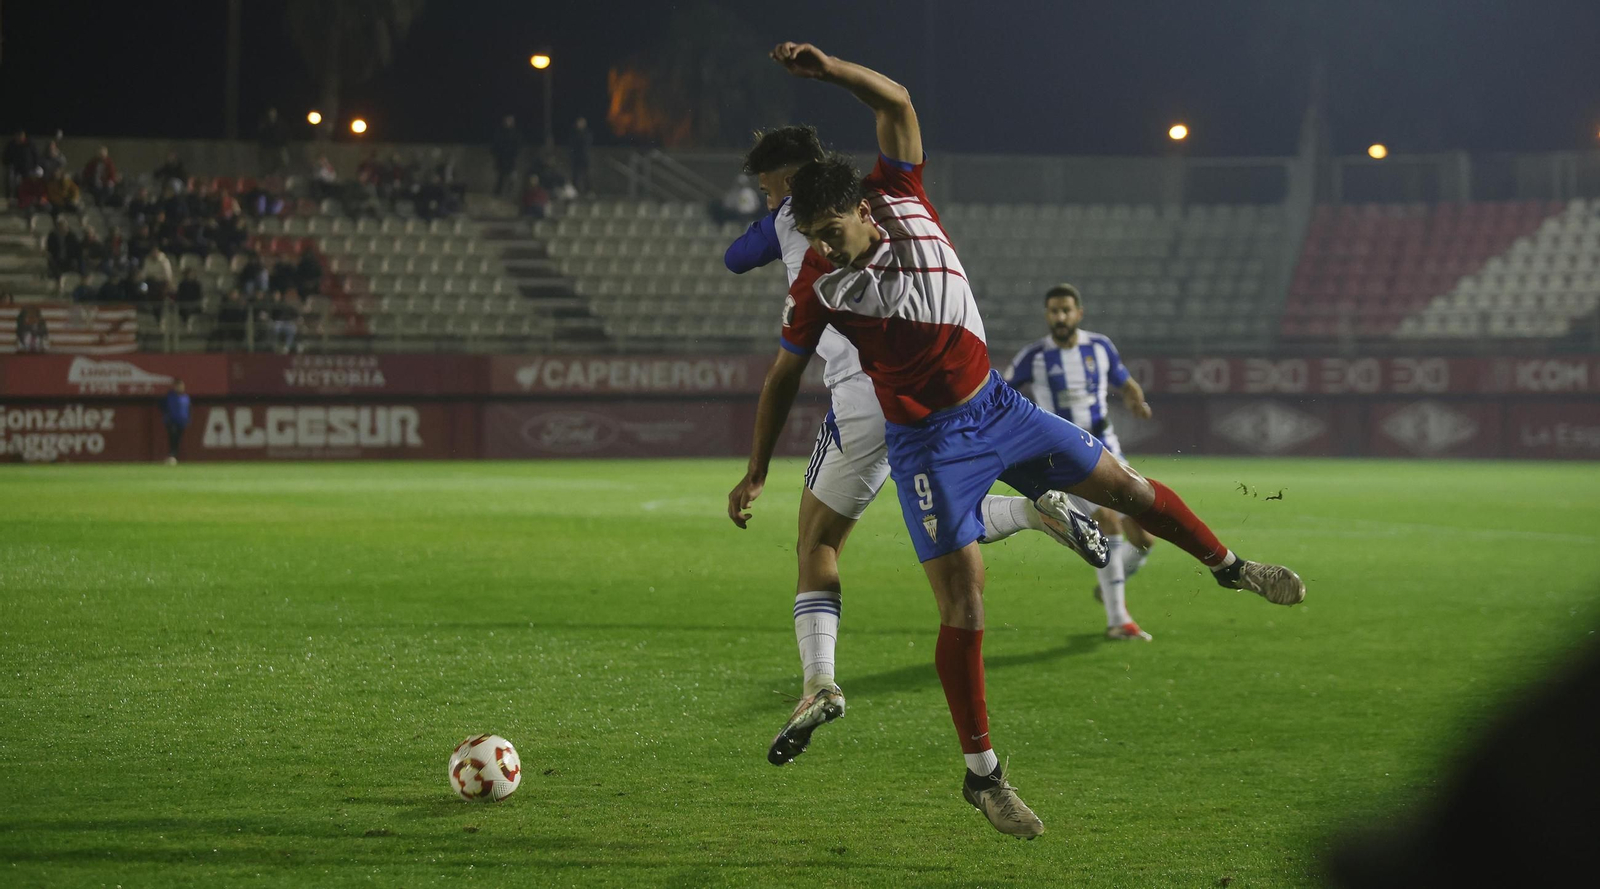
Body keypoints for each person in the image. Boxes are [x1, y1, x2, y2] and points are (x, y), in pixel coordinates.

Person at [728, 43, 1304, 839]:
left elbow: (896, 100)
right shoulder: (816, 286)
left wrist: (829, 71)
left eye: (833, 231)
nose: (825, 248)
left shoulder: (899, 189)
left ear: (863, 208)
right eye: (813, 237)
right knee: (965, 601)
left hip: (998, 407)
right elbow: (783, 376)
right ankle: (984, 776)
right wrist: (758, 467)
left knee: (1128, 489)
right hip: (927, 447)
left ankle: (1231, 567)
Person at [725, 123, 1109, 765]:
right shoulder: (875, 203)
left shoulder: (796, 219)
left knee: (818, 543)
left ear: (790, 183)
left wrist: (756, 469)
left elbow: (736, 259)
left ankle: (819, 681)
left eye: (770, 189)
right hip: (938, 379)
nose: (769, 202)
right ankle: (1031, 511)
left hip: (865, 392)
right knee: (942, 517)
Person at [1004, 283, 1160, 641]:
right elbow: (1003, 391)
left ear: (1079, 313)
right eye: (1054, 312)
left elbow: (1125, 382)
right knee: (1108, 520)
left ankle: (1111, 586)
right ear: (1047, 315)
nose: (1060, 317)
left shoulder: (1100, 347)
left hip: (1108, 450)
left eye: (1066, 311)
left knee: (1144, 540)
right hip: (1063, 456)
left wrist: (1135, 399)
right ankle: (1119, 620)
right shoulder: (1034, 356)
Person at [161, 380, 190, 466]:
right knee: (173, 438)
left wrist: (187, 419)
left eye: (182, 386)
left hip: (181, 422)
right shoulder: (170, 397)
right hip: (171, 422)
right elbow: (163, 407)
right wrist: (167, 418)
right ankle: (171, 455)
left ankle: (174, 456)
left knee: (177, 439)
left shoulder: (185, 397)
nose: (181, 388)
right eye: (179, 386)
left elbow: (188, 409)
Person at [3, 131, 38, 198]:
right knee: (13, 181)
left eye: (21, 136)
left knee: (28, 182)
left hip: (27, 169)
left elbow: (35, 155)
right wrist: (8, 163)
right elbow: (6, 157)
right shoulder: (11, 145)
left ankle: (28, 196)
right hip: (15, 169)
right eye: (18, 136)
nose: (19, 138)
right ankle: (13, 197)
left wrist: (34, 166)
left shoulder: (29, 144)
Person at [258, 108, 289, 175]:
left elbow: (284, 134)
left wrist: (283, 144)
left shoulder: (280, 123)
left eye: (273, 112)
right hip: (268, 147)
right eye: (271, 112)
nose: (272, 114)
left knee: (281, 163)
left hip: (279, 146)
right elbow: (262, 134)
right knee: (268, 164)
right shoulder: (265, 123)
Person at [569, 117, 593, 195]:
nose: (579, 124)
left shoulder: (587, 133)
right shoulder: (574, 133)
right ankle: (575, 191)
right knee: (575, 175)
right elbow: (572, 144)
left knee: (586, 174)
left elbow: (586, 143)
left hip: (584, 157)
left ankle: (588, 191)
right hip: (576, 157)